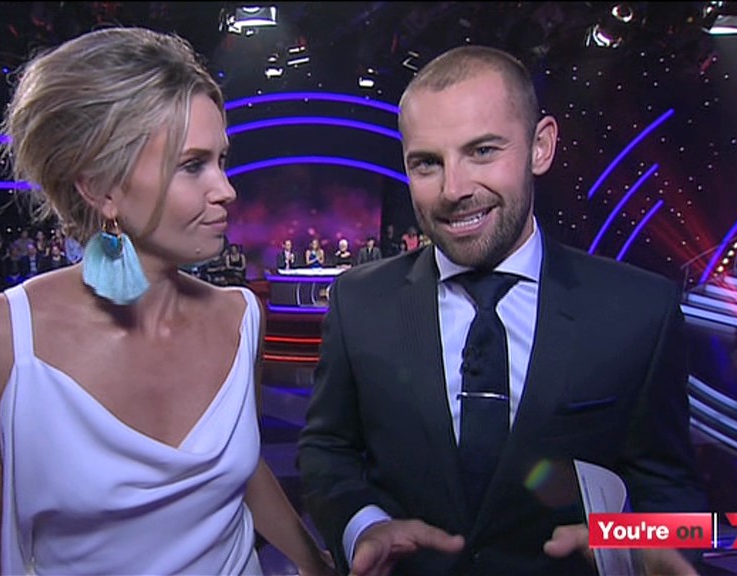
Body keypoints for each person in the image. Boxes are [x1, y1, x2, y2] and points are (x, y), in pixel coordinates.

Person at [297, 45, 706, 576]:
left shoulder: (639, 310)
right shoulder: (359, 303)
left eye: (483, 151)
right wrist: (364, 526)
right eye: (427, 163)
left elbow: (672, 493)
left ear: (540, 146)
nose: (454, 189)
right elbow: (327, 449)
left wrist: (632, 543)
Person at [0, 27, 333, 576]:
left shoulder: (242, 316)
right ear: (101, 188)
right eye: (192, 165)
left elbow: (238, 471)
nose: (226, 189)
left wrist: (314, 562)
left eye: (222, 160)